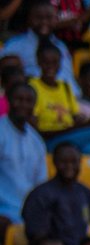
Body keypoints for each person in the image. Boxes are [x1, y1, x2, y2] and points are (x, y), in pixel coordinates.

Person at [22, 143, 90, 245]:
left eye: (74, 162)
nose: (69, 166)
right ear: (54, 162)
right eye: (64, 162)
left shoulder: (84, 192)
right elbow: (38, 239)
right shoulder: (41, 194)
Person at [0, 82, 47, 234]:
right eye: (18, 99)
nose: (23, 105)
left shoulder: (37, 141)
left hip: (27, 214)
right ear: (8, 100)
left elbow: (40, 185)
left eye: (28, 101)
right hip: (3, 212)